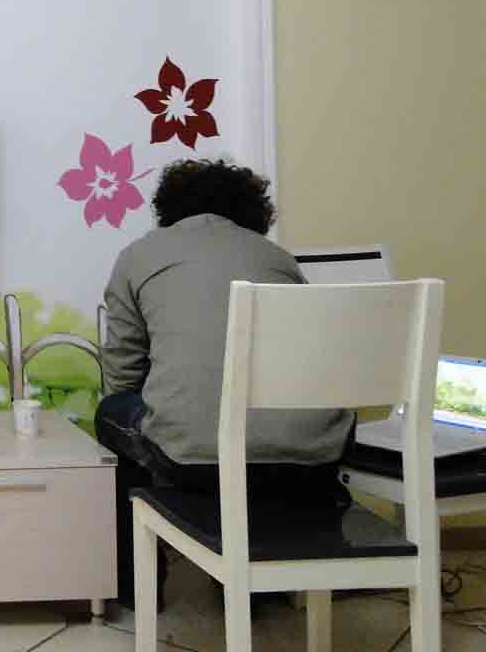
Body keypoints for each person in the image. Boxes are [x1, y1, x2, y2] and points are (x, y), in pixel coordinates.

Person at [94, 159, 354, 610]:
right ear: (252, 210)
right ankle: (260, 577)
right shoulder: (276, 258)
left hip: (196, 462)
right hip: (308, 460)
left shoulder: (139, 255)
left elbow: (122, 370)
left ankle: (139, 584)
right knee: (259, 437)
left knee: (112, 414)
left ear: (169, 207)